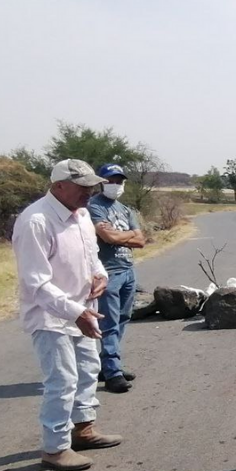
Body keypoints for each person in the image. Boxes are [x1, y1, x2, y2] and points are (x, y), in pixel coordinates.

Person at [12, 159, 124, 471]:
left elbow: (91, 256)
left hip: (83, 310)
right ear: (59, 185)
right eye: (83, 186)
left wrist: (99, 274)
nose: (90, 192)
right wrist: (75, 312)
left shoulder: (82, 214)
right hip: (52, 316)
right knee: (61, 381)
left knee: (88, 370)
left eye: (92, 186)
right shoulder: (36, 221)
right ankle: (55, 448)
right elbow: (35, 283)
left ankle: (83, 430)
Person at [87, 164, 145, 394]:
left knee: (123, 318)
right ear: (101, 181)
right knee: (109, 323)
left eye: (119, 181)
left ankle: (109, 364)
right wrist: (126, 235)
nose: (115, 185)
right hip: (108, 271)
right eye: (111, 180)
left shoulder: (124, 209)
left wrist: (120, 236)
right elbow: (106, 236)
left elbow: (141, 240)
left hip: (128, 269)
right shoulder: (94, 206)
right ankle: (112, 373)